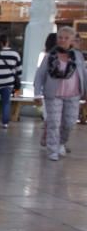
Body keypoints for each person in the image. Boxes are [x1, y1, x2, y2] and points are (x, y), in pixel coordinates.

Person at [34, 26, 86, 161]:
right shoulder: (50, 56)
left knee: (69, 123)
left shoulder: (78, 56)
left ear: (72, 40)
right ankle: (52, 150)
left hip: (73, 95)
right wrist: (37, 94)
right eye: (60, 37)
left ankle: (61, 143)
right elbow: (40, 75)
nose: (62, 40)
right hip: (53, 95)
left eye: (66, 38)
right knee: (54, 123)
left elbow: (83, 75)